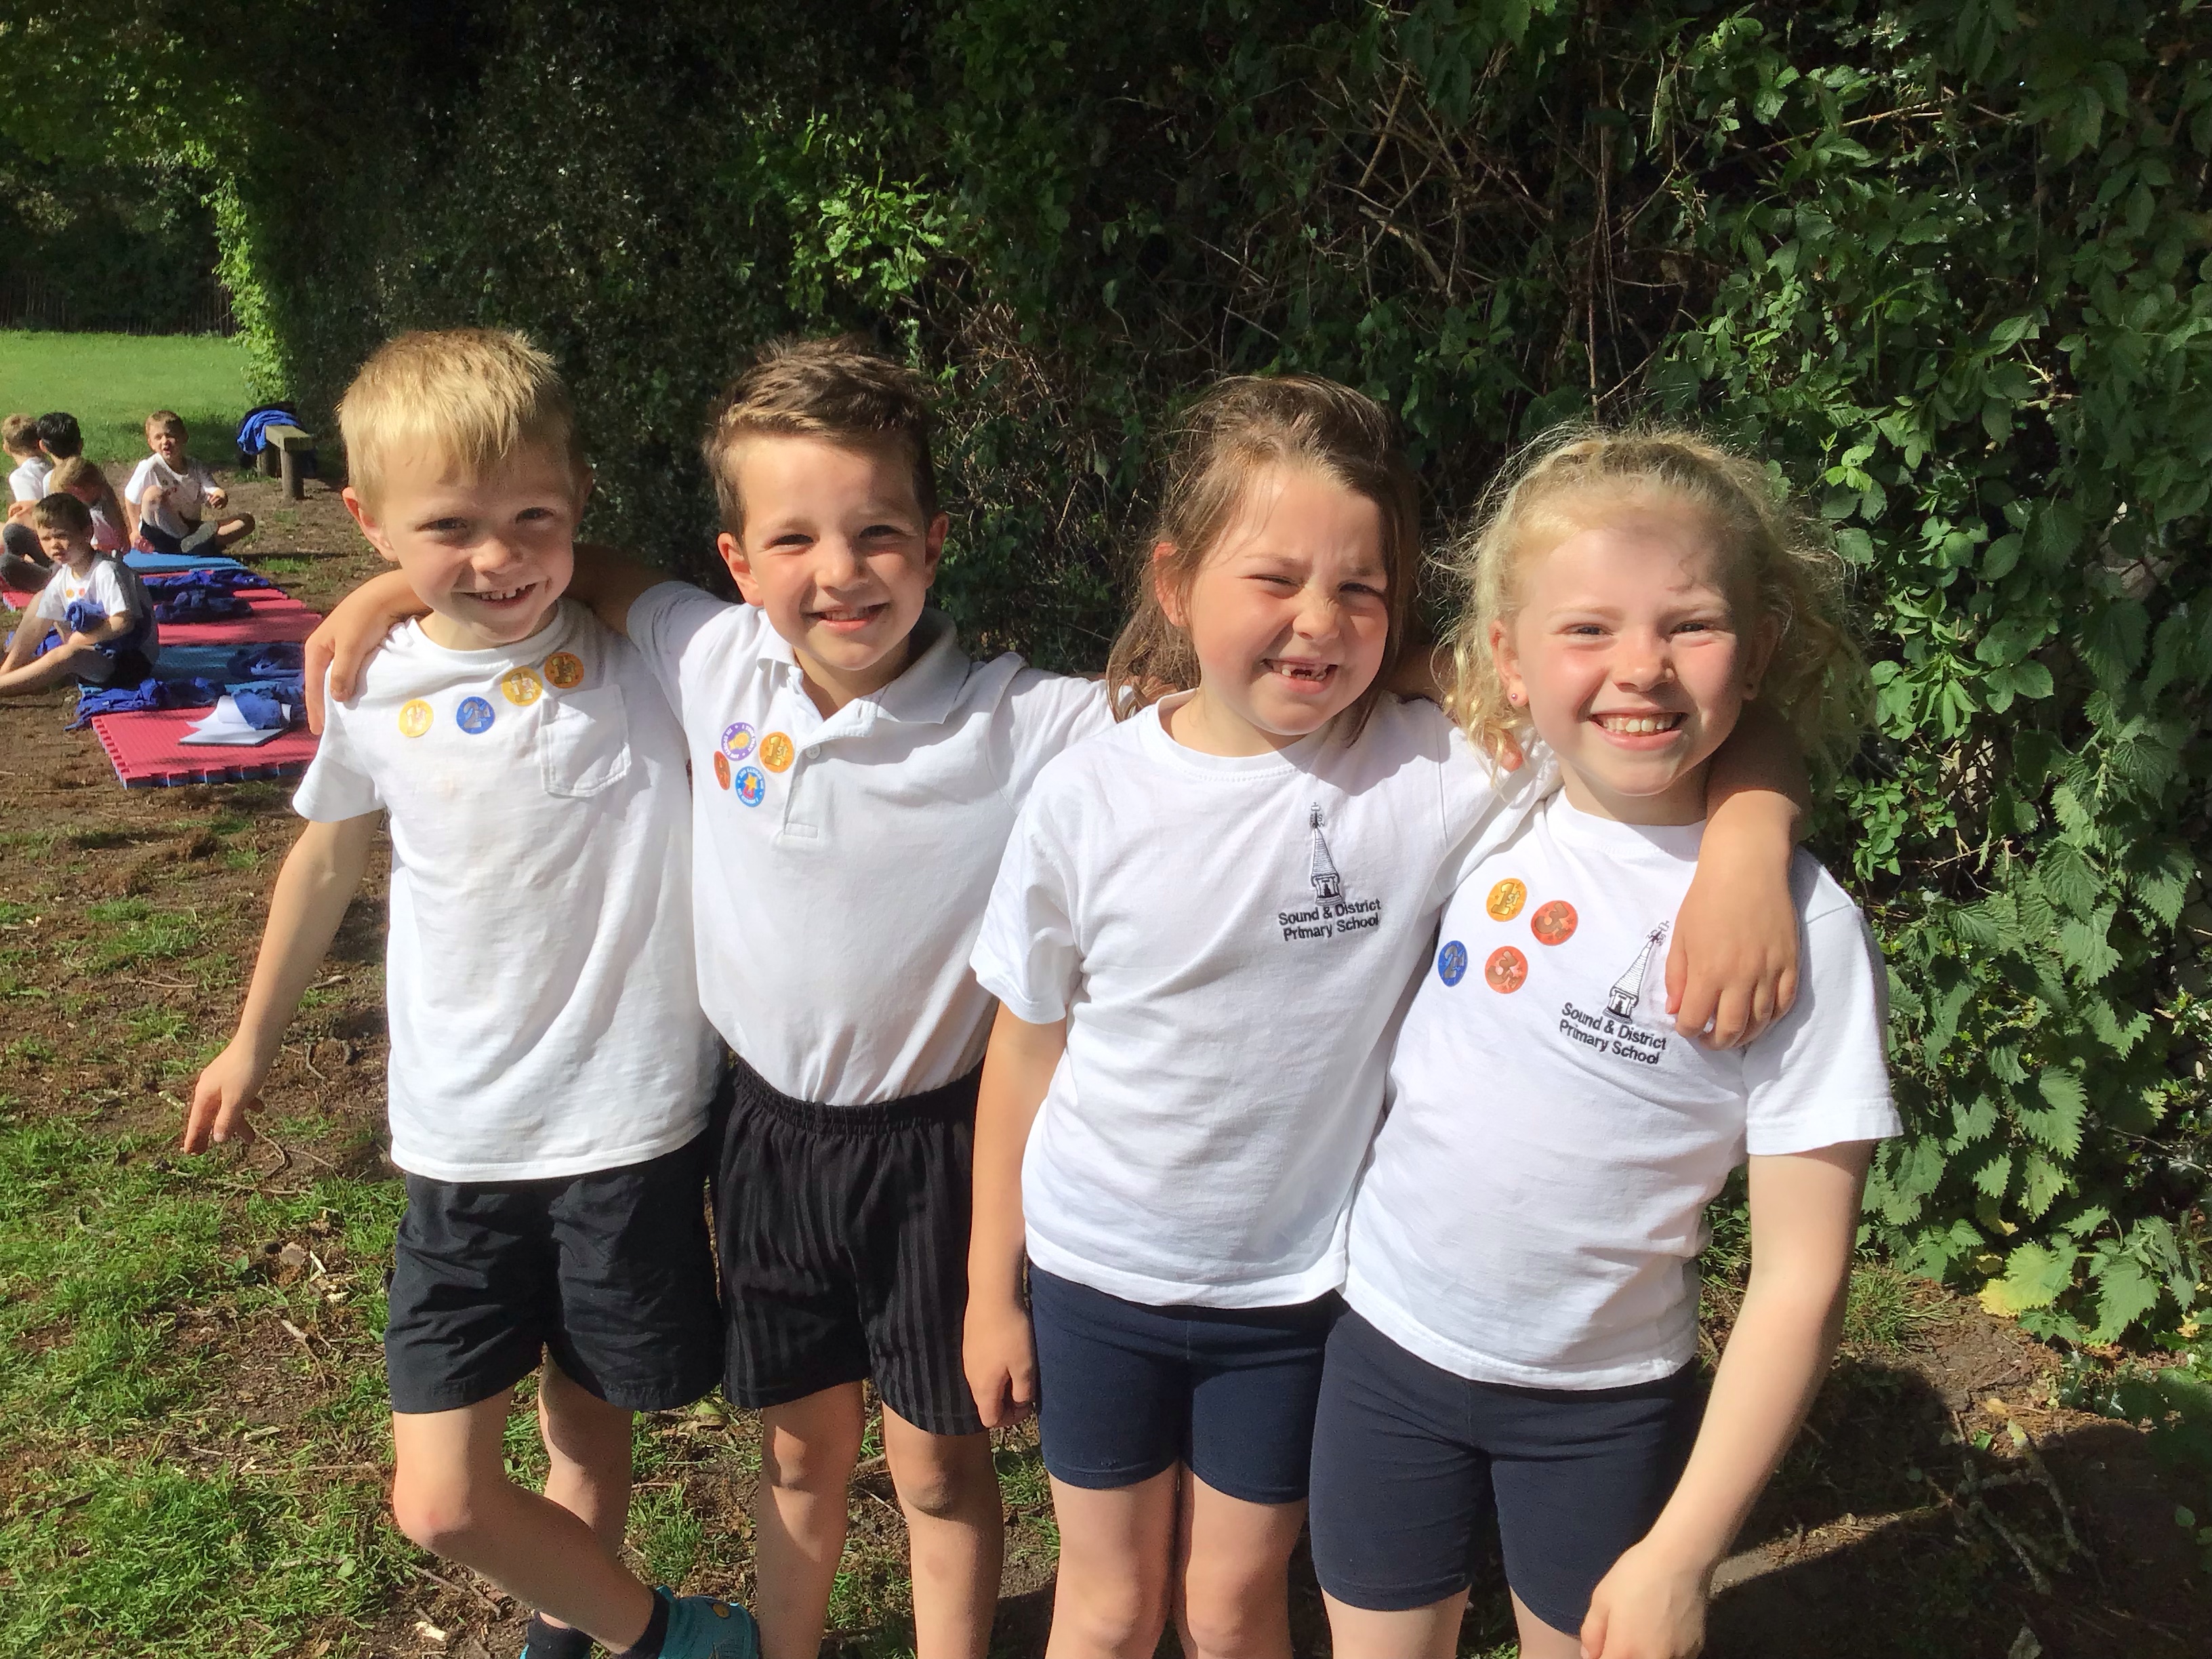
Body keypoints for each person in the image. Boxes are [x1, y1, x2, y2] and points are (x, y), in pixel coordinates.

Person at [961, 376, 1813, 1659]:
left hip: (1299, 1288)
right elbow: (1026, 1045)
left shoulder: (1440, 768)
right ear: (1173, 581)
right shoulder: (1084, 797)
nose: (1319, 621)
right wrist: (991, 1285)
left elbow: (1681, 716)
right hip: (1094, 1270)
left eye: (1360, 589)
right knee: (1107, 1605)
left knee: (1230, 1604)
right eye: (1274, 579)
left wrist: (1750, 839)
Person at [307, 334, 1110, 1659]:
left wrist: (1424, 683)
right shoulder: (711, 654)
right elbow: (580, 567)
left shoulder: (1028, 723)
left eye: (877, 532)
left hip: (938, 1150)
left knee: (936, 1470)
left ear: (934, 542)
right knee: (796, 1455)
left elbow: (1214, 715)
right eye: (792, 539)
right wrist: (392, 585)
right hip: (764, 1140)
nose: (839, 570)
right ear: (737, 562)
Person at [181, 329, 758, 1659]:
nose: (499, 557)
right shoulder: (369, 679)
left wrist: (409, 574)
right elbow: (325, 858)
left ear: (581, 502)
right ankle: (674, 1638)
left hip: (630, 1131)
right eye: (448, 527)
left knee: (585, 1430)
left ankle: (571, 1640)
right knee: (439, 1498)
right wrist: (250, 1038)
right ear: (366, 517)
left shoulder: (652, 662)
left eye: (533, 519)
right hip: (458, 1144)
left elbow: (645, 587)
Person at [1307, 428, 1900, 1659]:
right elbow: (1345, 663)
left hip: (1602, 1408)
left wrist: (1683, 1553)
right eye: (1587, 628)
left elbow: (1800, 1280)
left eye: (1691, 625)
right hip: (1383, 1351)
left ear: (1759, 649)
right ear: (1508, 662)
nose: (1640, 666)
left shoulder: (1806, 930)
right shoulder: (1501, 784)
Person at [0, 493, 160, 696]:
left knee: (66, 654)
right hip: (95, 650)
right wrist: (8, 668)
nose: (54, 544)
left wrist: (81, 639)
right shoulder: (64, 574)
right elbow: (39, 623)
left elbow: (123, 623)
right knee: (43, 598)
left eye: (62, 536)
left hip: (128, 659)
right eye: (46, 538)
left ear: (87, 533)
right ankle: (7, 670)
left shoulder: (107, 571)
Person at [127, 410, 255, 556]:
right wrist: (135, 531)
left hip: (191, 528)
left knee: (246, 521)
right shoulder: (150, 467)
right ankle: (191, 543)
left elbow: (213, 490)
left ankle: (191, 546)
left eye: (170, 435)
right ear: (151, 443)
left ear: (184, 437)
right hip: (157, 531)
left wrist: (220, 497)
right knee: (153, 495)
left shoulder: (196, 467)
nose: (165, 442)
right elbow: (131, 497)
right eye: (158, 437)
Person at [3, 412, 53, 587]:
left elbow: (30, 518)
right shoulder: (49, 466)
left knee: (10, 529)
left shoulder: (21, 477)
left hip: (45, 542)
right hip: (57, 533)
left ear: (6, 448)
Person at [48, 457, 132, 553]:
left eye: (68, 498)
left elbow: (103, 548)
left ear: (81, 490)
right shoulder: (103, 499)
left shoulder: (94, 517)